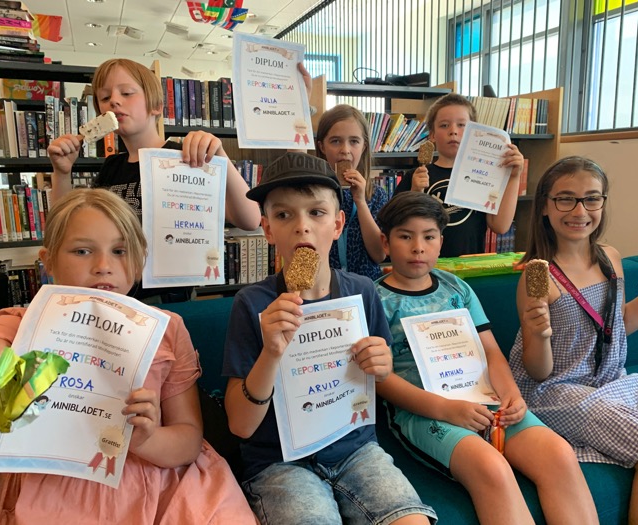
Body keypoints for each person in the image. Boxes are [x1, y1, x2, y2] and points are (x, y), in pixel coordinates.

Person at [0, 188, 256, 524]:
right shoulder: (20, 323)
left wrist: (147, 438)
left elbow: (187, 441)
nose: (103, 266)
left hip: (158, 475)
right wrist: (0, 368)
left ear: (139, 261)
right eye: (82, 251)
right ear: (48, 260)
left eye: (119, 251)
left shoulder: (166, 329)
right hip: (57, 482)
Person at [222, 152, 437, 525]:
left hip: (357, 451)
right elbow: (241, 426)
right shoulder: (252, 304)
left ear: (338, 224)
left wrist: (381, 365)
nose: (302, 227)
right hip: (281, 462)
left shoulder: (362, 292)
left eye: (316, 213)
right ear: (268, 230)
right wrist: (271, 353)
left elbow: (380, 373)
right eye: (284, 215)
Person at [374, 191, 598, 524]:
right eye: (405, 237)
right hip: (425, 411)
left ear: (440, 242)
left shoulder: (457, 288)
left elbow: (490, 350)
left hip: (486, 400)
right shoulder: (374, 298)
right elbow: (381, 379)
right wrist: (447, 409)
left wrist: (512, 395)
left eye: (429, 237)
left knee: (559, 453)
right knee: (492, 467)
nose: (418, 247)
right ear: (386, 242)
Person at [508, 156, 638, 524]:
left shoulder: (610, 258)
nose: (580, 210)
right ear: (545, 206)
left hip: (614, 382)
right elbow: (538, 373)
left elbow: (621, 324)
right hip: (556, 391)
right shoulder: (538, 278)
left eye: (591, 198)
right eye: (565, 199)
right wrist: (537, 332)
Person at [47, 58, 261, 303]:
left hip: (168, 299)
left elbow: (250, 219)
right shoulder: (112, 167)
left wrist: (219, 155)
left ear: (157, 106)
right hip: (114, 296)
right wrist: (62, 172)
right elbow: (64, 227)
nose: (114, 101)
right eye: (105, 98)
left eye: (126, 93)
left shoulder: (185, 158)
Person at [393, 93, 524, 257]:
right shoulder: (415, 176)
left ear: (475, 132)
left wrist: (514, 177)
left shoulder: (484, 176)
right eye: (444, 125)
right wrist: (415, 192)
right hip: (423, 265)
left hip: (468, 266)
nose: (453, 131)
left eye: (462, 125)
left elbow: (500, 226)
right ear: (432, 134)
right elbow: (397, 225)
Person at [315, 104, 387, 280]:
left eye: (354, 141)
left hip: (367, 285)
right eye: (335, 141)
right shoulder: (313, 194)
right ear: (322, 147)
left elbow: (379, 254)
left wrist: (360, 201)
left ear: (363, 147)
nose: (345, 150)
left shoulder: (376, 195)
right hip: (325, 285)